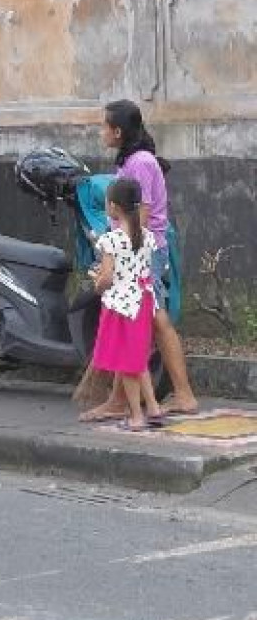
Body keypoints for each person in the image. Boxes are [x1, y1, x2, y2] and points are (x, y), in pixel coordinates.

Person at [81, 100, 199, 421]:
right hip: (139, 250)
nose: (101, 131)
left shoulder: (141, 163)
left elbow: (141, 217)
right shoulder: (132, 161)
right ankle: (123, 400)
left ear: (118, 131)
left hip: (146, 252)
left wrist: (117, 256)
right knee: (139, 319)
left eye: (104, 126)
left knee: (154, 321)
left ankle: (181, 395)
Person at [90, 179, 162, 430]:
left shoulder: (112, 240)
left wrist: (97, 283)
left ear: (113, 206)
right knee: (138, 355)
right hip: (143, 300)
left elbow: (107, 278)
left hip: (121, 305)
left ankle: (136, 416)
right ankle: (152, 407)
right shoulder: (147, 237)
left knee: (126, 361)